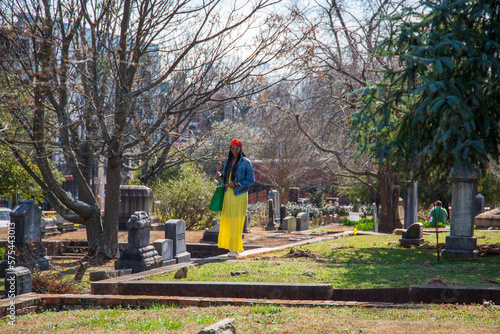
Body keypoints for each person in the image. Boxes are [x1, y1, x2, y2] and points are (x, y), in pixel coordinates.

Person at [216, 138, 255, 257]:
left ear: (240, 149)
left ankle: (235, 249)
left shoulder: (246, 162)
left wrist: (237, 184)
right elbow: (226, 178)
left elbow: (251, 180)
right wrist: (220, 175)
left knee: (236, 221)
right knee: (228, 220)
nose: (234, 151)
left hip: (240, 195)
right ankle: (230, 248)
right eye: (232, 148)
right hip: (228, 194)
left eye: (237, 148)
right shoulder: (228, 160)